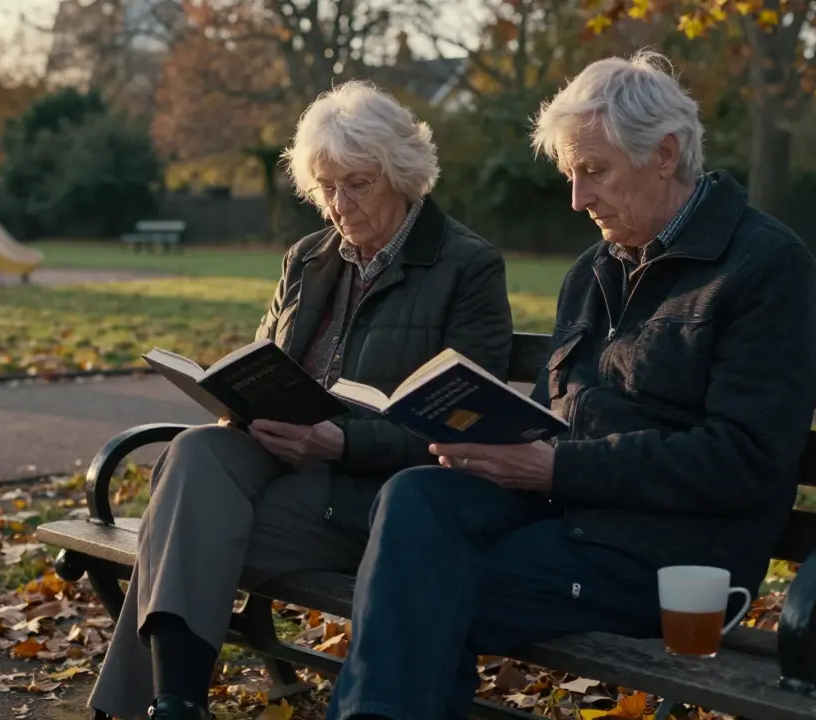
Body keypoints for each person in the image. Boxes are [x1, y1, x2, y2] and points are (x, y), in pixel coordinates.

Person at [324, 50, 816, 720]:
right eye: (570, 173)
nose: (577, 198)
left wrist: (557, 469)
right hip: (567, 518)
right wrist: (486, 439)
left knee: (424, 590)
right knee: (417, 496)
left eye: (593, 171)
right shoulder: (594, 270)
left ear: (665, 154)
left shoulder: (764, 267)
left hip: (673, 558)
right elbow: (552, 413)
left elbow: (745, 459)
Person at [86, 79, 515, 720]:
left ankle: (149, 706)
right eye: (327, 187)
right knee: (197, 449)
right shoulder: (308, 258)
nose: (340, 205)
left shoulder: (466, 267)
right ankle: (174, 703)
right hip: (279, 466)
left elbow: (465, 419)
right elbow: (262, 362)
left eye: (357, 184)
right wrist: (235, 400)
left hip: (377, 497)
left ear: (401, 173)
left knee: (178, 532)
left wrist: (341, 439)